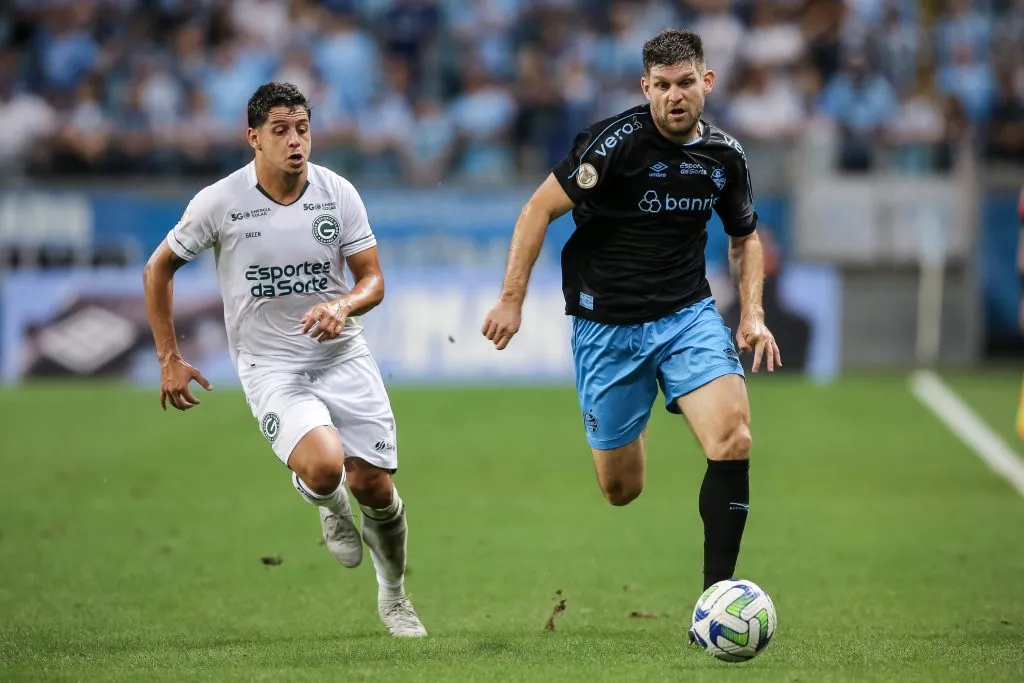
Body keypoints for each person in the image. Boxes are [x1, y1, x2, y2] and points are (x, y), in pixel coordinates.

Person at [481, 29, 782, 611]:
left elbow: (745, 238)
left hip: (686, 315)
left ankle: (716, 601)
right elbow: (539, 209)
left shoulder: (724, 157)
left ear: (707, 82)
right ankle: (633, 410)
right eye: (663, 86)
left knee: (734, 438)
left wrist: (752, 313)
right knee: (621, 489)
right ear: (646, 87)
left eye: (686, 83)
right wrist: (511, 299)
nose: (675, 96)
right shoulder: (611, 143)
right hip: (608, 327)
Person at [142, 82, 426, 637]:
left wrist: (341, 306)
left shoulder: (337, 192)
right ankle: (326, 501)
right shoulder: (219, 202)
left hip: (343, 355)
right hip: (270, 365)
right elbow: (158, 270)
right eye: (281, 131)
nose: (296, 141)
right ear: (253, 138)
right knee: (324, 467)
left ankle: (393, 596)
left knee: (375, 486)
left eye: (302, 128)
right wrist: (168, 357)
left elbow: (373, 280)